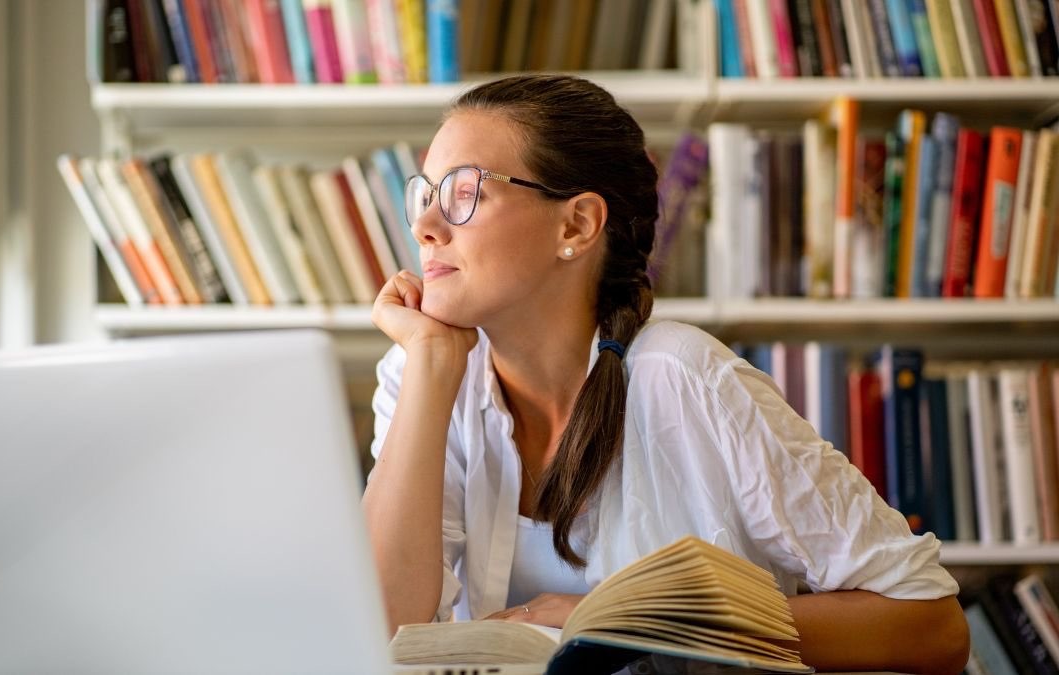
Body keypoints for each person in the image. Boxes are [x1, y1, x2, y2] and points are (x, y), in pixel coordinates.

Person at [362, 74, 968, 675]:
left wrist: (615, 624)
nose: (425, 227)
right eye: (426, 195)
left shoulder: (686, 378)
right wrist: (432, 368)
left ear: (575, 225)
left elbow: (930, 626)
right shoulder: (422, 373)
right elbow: (376, 630)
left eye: (464, 192)